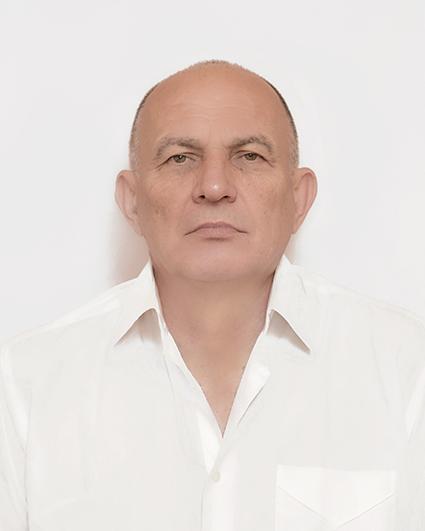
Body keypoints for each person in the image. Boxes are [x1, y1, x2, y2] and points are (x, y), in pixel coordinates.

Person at [1, 59, 424, 531]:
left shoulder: (407, 369)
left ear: (299, 197)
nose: (215, 187)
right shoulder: (25, 386)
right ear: (132, 200)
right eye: (180, 158)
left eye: (249, 156)